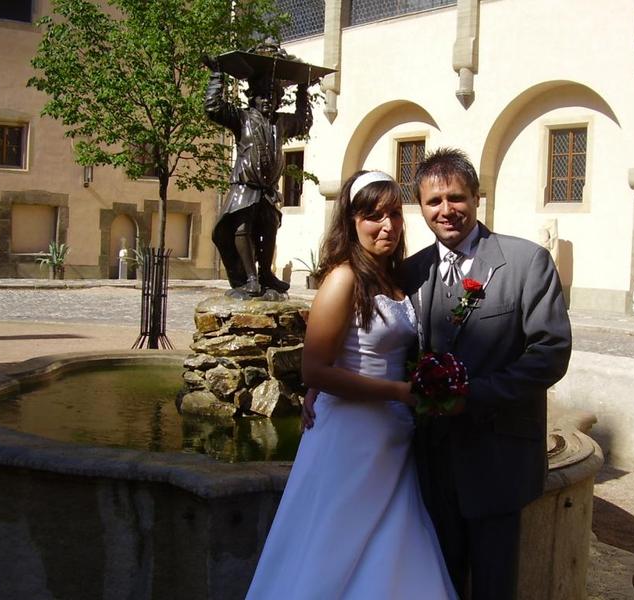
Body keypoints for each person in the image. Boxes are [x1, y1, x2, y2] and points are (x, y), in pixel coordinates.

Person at [246, 170, 457, 599]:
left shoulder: (392, 278)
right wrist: (398, 392)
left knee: (393, 543)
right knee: (333, 545)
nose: (387, 226)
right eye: (373, 216)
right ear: (351, 221)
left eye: (394, 214)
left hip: (393, 436)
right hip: (351, 435)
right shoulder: (344, 278)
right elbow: (313, 370)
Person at [401, 147, 572, 599]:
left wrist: (474, 396)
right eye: (433, 201)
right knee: (440, 584)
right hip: (432, 461)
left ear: (477, 197)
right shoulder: (411, 272)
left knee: (495, 587)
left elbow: (550, 352)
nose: (446, 210)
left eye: (456, 197)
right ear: (420, 207)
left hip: (498, 459)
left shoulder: (526, 262)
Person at [203, 42, 312, 299]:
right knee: (241, 228)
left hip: (268, 190)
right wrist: (217, 76)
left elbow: (303, 122)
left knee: (270, 227)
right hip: (245, 185)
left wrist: (302, 90)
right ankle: (250, 278)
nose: (267, 101)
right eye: (262, 96)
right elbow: (213, 107)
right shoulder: (241, 118)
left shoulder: (280, 123)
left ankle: (265, 274)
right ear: (253, 97)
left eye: (272, 97)